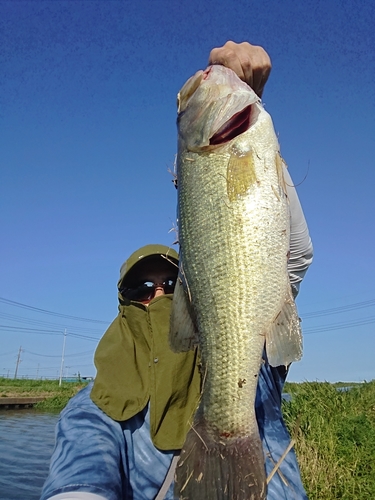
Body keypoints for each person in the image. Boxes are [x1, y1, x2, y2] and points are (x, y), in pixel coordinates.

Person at [41, 41, 313, 500]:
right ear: (123, 304)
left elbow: (292, 255)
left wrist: (248, 108)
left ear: (191, 292)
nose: (159, 294)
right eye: (141, 288)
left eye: (169, 281)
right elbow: (78, 483)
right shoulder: (96, 408)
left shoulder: (250, 363)